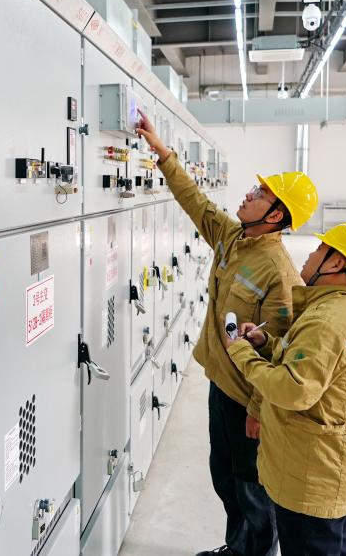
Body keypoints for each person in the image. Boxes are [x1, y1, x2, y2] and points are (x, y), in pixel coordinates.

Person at [135, 112, 318, 556]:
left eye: (260, 194)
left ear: (276, 215)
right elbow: (195, 202)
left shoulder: (278, 272)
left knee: (250, 485)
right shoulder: (235, 239)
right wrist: (160, 151)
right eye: (255, 189)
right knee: (225, 474)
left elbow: (281, 350)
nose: (248, 194)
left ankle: (250, 551)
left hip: (247, 397)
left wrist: (258, 409)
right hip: (222, 383)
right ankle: (238, 546)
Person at [224, 219, 346, 556]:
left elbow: (293, 389)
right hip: (324, 469)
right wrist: (265, 343)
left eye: (320, 248)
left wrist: (241, 352)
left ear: (336, 262)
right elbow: (311, 365)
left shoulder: (326, 320)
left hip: (311, 476)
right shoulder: (335, 307)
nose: (311, 253)